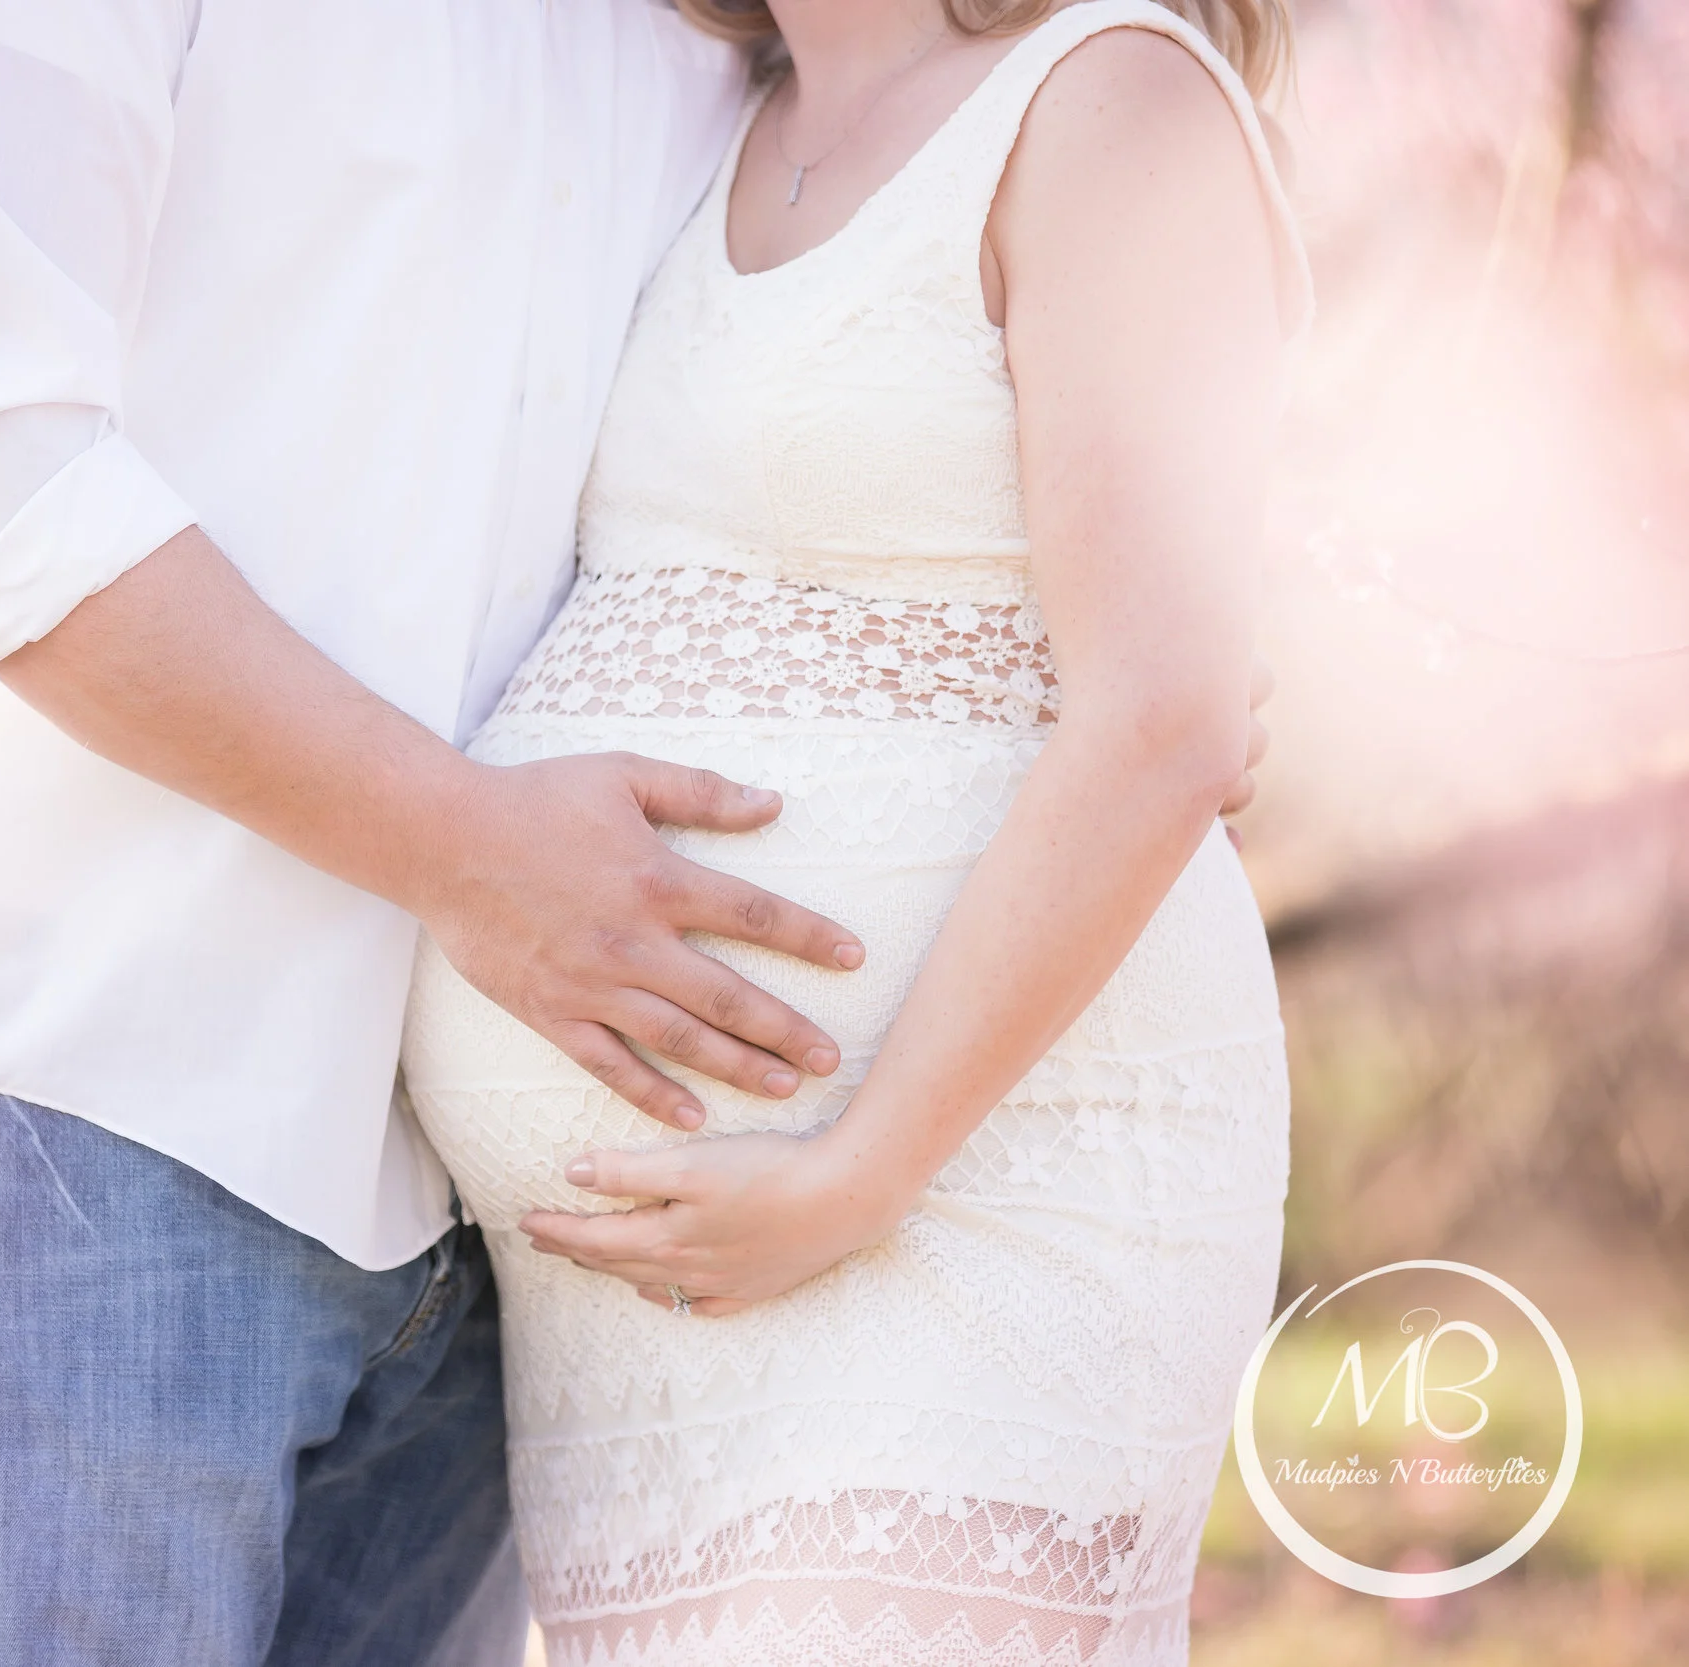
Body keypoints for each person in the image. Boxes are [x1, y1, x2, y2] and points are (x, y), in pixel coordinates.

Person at [0, 1, 1269, 1662]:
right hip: (110, 1070)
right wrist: (468, 850)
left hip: (516, 1224)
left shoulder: (716, 32)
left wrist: (1154, 647)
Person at [403, 1, 1306, 1663]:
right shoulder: (700, 118)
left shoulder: (1108, 96)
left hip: (979, 1185)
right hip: (636, 1323)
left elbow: (1165, 712)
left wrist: (857, 1168)